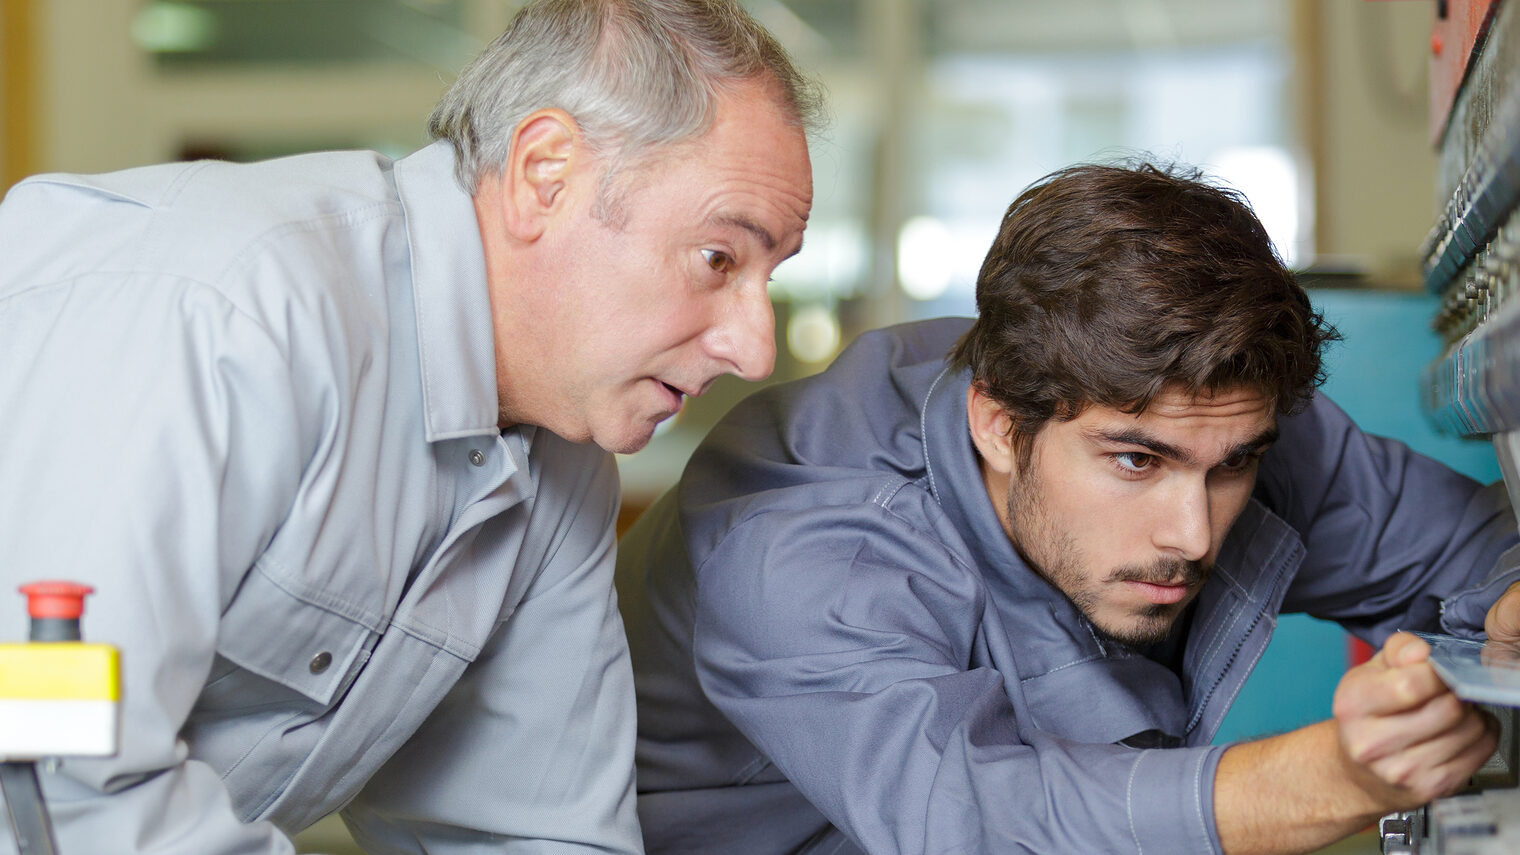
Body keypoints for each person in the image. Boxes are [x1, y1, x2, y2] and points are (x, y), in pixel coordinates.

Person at [0, 1, 817, 852]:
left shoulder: (561, 476)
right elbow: (55, 766)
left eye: (770, 274)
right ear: (546, 174)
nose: (755, 350)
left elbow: (538, 830)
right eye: (719, 257)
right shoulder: (223, 316)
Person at [616, 162, 1520, 854]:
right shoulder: (807, 550)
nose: (1193, 532)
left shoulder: (1208, 408)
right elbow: (972, 817)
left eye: (1233, 466)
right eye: (1135, 462)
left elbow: (1479, 551)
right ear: (1001, 427)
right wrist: (1330, 777)